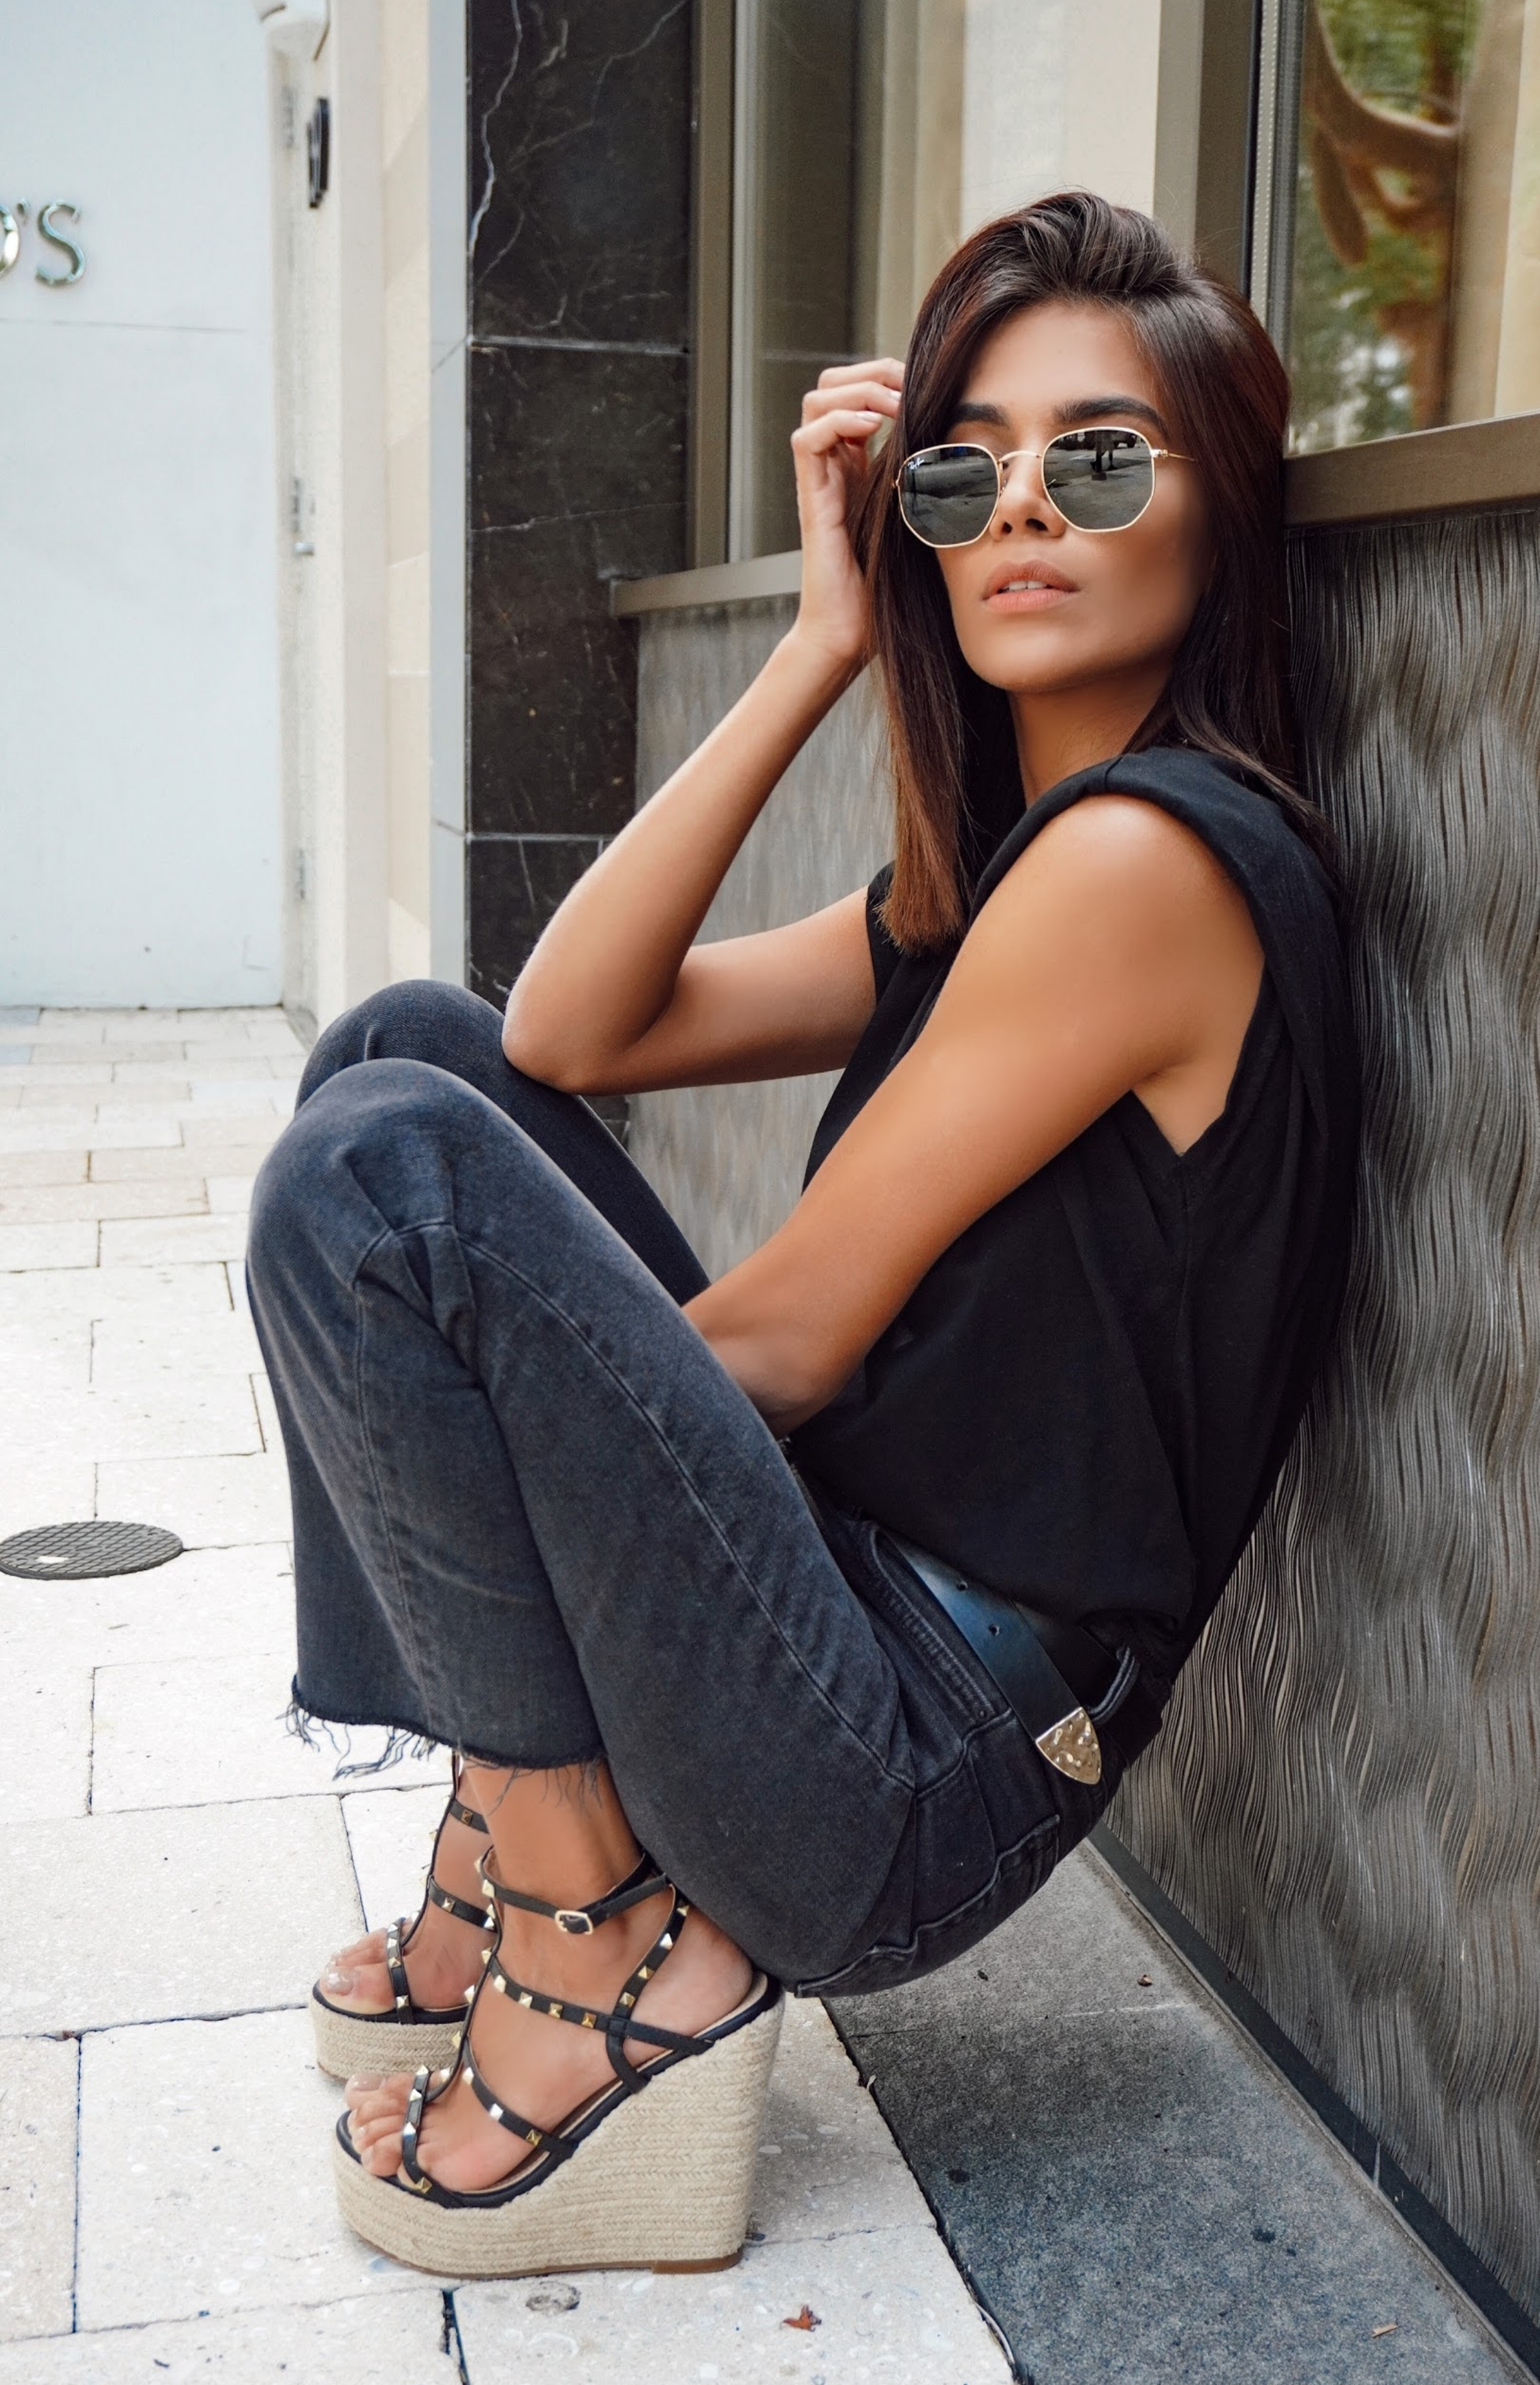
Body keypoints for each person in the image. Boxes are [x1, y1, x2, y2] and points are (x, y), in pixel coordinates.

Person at [247, 189, 1359, 2278]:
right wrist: (819, 642)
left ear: (1216, 513)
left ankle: (594, 1943)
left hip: (908, 1766)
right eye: (965, 471)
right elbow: (566, 1028)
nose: (1023, 507)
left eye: (1098, 458)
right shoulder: (1000, 881)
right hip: (842, 1638)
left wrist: (535, 1413)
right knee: (409, 1053)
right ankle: (521, 1835)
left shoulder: (1143, 868)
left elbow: (775, 1346)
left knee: (384, 1169)